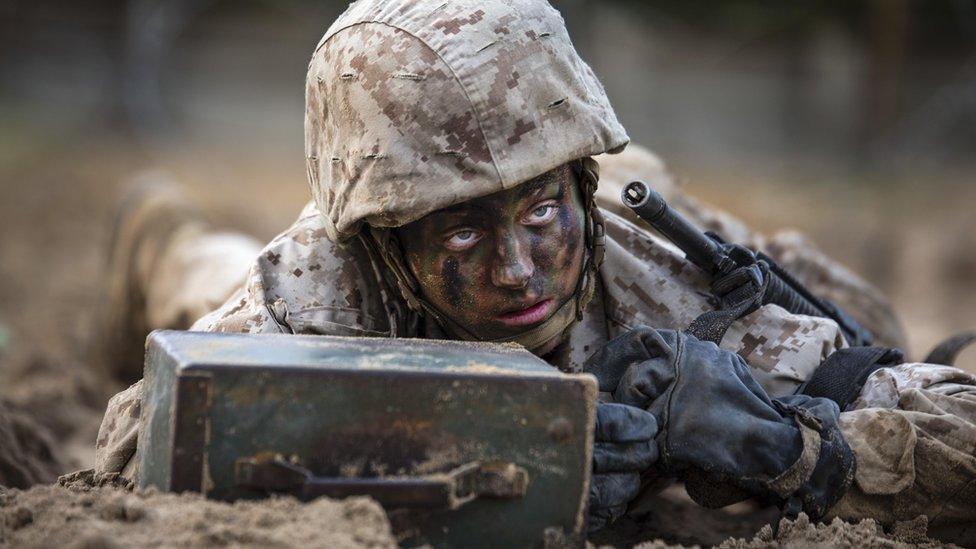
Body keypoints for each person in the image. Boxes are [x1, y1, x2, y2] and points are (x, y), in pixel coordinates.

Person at [93, 0, 976, 541]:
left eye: (543, 211)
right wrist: (477, 451)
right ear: (384, 238)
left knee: (869, 326)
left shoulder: (682, 300)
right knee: (202, 274)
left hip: (657, 207)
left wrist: (789, 447)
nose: (520, 273)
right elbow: (136, 451)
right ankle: (160, 237)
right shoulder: (321, 284)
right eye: (465, 234)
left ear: (578, 188)